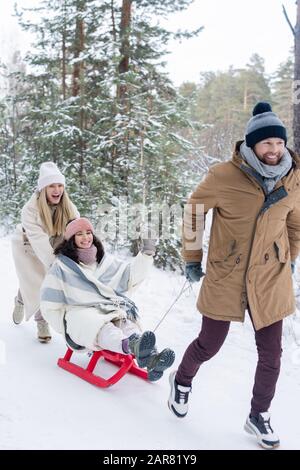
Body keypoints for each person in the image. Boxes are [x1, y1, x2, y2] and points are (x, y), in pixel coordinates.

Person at [168, 102, 300, 449]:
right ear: (252, 144)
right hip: (228, 272)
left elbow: (295, 222)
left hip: (271, 275)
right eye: (266, 143)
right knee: (209, 344)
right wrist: (192, 257)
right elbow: (194, 212)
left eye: (278, 143)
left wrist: (291, 259)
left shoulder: (293, 176)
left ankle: (259, 414)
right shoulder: (224, 175)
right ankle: (181, 380)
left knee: (272, 354)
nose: (274, 150)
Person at [40, 217, 175, 381]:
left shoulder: (103, 261)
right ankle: (132, 346)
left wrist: (147, 253)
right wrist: (63, 323)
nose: (86, 237)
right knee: (100, 325)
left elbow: (129, 275)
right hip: (79, 311)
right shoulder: (61, 266)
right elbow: (49, 302)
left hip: (106, 306)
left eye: (88, 232)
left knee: (124, 322)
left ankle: (152, 358)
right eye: (79, 234)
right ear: (71, 239)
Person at [11, 162, 79, 343]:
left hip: (53, 242)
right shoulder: (30, 209)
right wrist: (53, 263)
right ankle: (39, 319)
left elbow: (76, 228)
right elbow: (38, 239)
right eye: (52, 186)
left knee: (43, 281)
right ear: (43, 188)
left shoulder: (68, 206)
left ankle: (22, 298)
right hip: (28, 245)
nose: (57, 190)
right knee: (38, 281)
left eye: (60, 185)